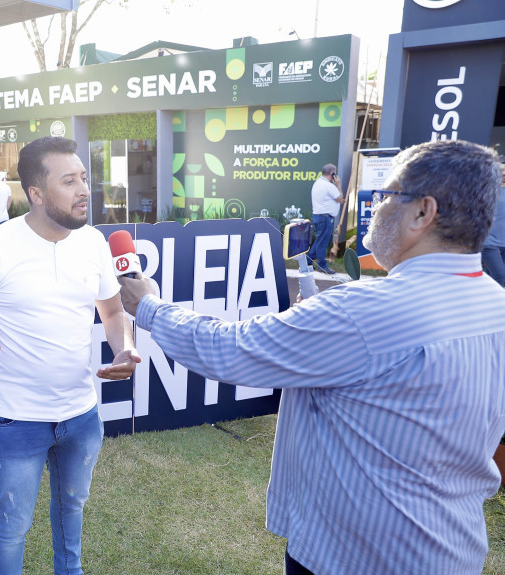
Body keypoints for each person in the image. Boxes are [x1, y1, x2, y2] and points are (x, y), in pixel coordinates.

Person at [118, 139, 505, 574]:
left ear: (423, 212)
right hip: (454, 551)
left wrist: (149, 305)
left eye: (386, 196)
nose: (375, 209)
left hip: (354, 558)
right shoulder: (496, 303)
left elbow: (229, 349)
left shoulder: (363, 312)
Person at [0, 137, 140, 574]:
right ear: (35, 193)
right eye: (69, 181)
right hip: (16, 418)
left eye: (84, 178)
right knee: (12, 526)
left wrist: (124, 347)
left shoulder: (93, 243)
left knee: (72, 514)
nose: (84, 189)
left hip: (82, 414)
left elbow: (112, 312)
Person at [307, 163, 343, 274]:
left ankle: (307, 260)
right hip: (325, 218)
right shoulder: (330, 186)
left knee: (320, 240)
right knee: (323, 243)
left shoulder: (318, 183)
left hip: (319, 217)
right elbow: (340, 199)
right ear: (332, 173)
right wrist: (339, 185)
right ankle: (322, 266)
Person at [481, 158, 505, 286]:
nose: (504, 173)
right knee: (500, 275)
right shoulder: (488, 189)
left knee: (493, 277)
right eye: (501, 170)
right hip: (490, 242)